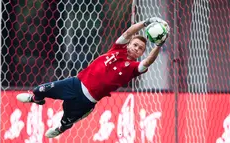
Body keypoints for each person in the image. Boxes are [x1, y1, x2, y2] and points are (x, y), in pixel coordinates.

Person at [16, 17, 169, 138]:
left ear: (141, 53)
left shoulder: (134, 68)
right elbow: (129, 32)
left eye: (140, 48)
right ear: (129, 44)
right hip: (76, 83)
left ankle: (62, 127)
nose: (137, 48)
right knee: (41, 89)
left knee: (67, 118)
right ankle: (35, 99)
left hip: (88, 99)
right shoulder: (118, 48)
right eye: (135, 45)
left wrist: (159, 45)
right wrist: (146, 22)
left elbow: (148, 61)